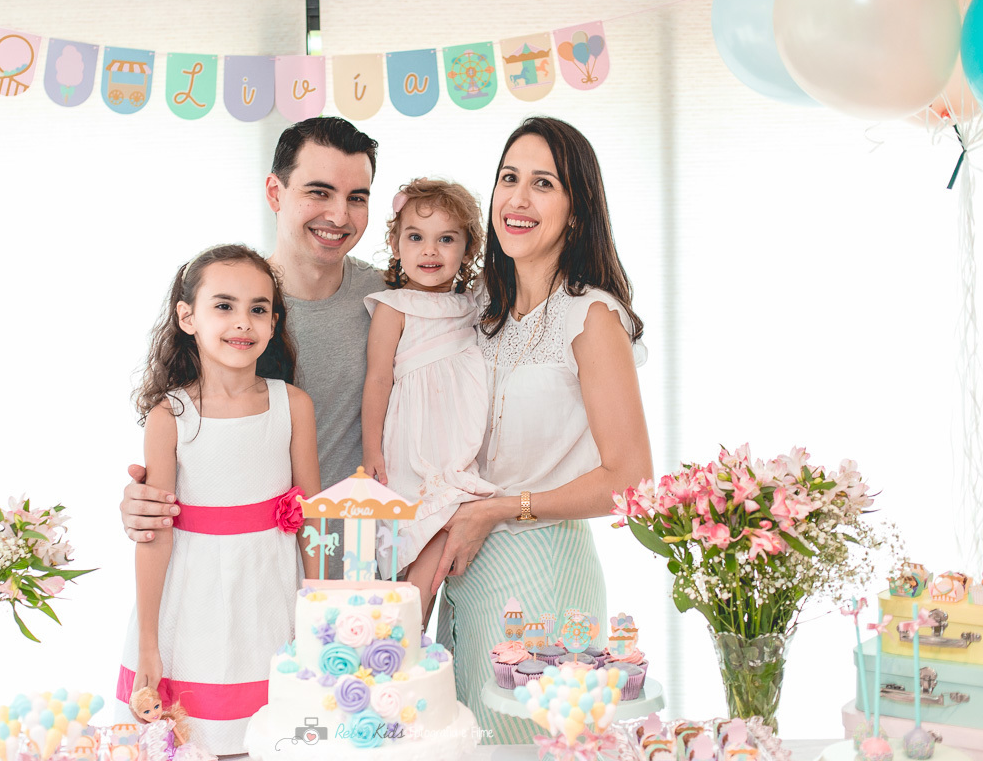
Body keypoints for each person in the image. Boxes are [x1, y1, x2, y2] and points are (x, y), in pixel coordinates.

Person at [429, 116, 653, 744]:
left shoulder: (591, 316)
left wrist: (499, 510)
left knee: (530, 744)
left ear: (576, 210)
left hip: (546, 566)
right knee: (468, 739)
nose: (518, 200)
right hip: (467, 566)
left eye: (543, 184)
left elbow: (629, 481)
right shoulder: (479, 310)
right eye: (508, 178)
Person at [121, 117, 383, 578]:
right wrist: (144, 502)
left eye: (356, 198)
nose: (339, 216)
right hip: (246, 564)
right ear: (275, 193)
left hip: (356, 558)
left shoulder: (389, 302)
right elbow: (187, 426)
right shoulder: (229, 308)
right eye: (319, 192)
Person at [115, 244, 321, 755]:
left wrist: (323, 617)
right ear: (188, 316)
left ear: (274, 322)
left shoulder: (292, 405)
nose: (242, 322)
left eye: (258, 308)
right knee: (196, 740)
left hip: (270, 596)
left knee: (272, 736)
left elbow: (316, 520)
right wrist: (149, 644)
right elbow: (155, 535)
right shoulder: (170, 417)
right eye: (223, 306)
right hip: (192, 601)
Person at [360, 177, 495, 622]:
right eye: (416, 237)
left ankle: (412, 627)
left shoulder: (471, 304)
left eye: (446, 239)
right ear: (396, 245)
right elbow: (378, 380)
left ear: (467, 248)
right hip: (412, 438)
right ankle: (399, 629)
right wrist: (371, 449)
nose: (429, 251)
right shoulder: (393, 306)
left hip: (456, 437)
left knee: (448, 522)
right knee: (412, 528)